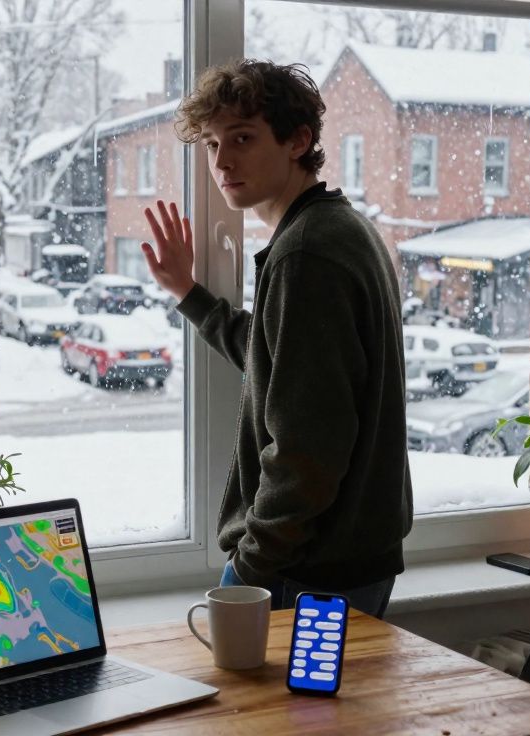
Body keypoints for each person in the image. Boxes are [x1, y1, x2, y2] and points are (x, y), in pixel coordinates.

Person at [140, 59, 412, 619]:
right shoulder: (337, 228)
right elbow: (278, 363)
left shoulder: (306, 254)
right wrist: (189, 292)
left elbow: (305, 450)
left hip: (307, 570)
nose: (223, 161)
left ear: (298, 140)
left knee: (271, 710)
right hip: (346, 561)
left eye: (242, 138)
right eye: (213, 144)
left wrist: (249, 567)